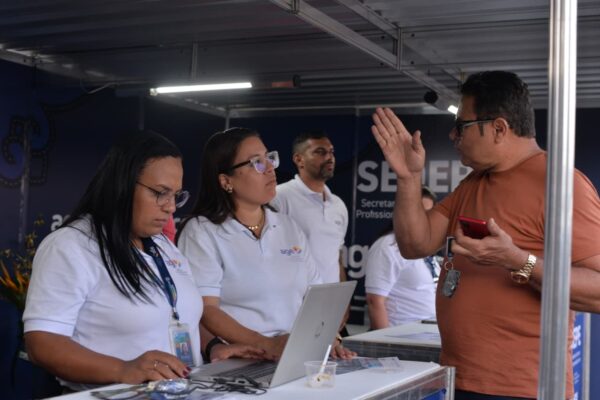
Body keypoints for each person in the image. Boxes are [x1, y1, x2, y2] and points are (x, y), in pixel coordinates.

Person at [371, 71, 600, 399]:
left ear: (499, 128)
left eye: (461, 125)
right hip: (461, 378)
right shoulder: (473, 182)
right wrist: (408, 177)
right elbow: (414, 244)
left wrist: (518, 261)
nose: (453, 134)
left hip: (522, 388)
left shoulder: (562, 185)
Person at [23, 131, 260, 391]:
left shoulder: (163, 246)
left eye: (176, 195)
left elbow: (177, 318)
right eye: (160, 193)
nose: (171, 207)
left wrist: (213, 347)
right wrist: (123, 369)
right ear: (122, 185)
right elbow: (42, 343)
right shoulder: (71, 246)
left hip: (180, 391)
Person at [178, 127, 355, 359]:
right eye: (256, 163)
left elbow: (316, 296)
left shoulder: (288, 226)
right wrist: (266, 345)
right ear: (226, 180)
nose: (270, 168)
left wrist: (328, 338)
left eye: (269, 158)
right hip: (241, 360)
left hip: (294, 355)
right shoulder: (202, 231)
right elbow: (206, 308)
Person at [271, 130, 349, 285]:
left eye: (331, 152)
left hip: (329, 297)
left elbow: (337, 258)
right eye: (320, 152)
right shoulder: (279, 197)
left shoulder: (338, 205)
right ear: (299, 159)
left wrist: (342, 298)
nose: (329, 158)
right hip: (292, 297)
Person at [365, 187, 440, 329]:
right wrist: (384, 340)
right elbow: (374, 301)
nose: (425, 218)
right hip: (401, 335)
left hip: (428, 333)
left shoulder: (426, 245)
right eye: (419, 212)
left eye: (429, 213)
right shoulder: (387, 246)